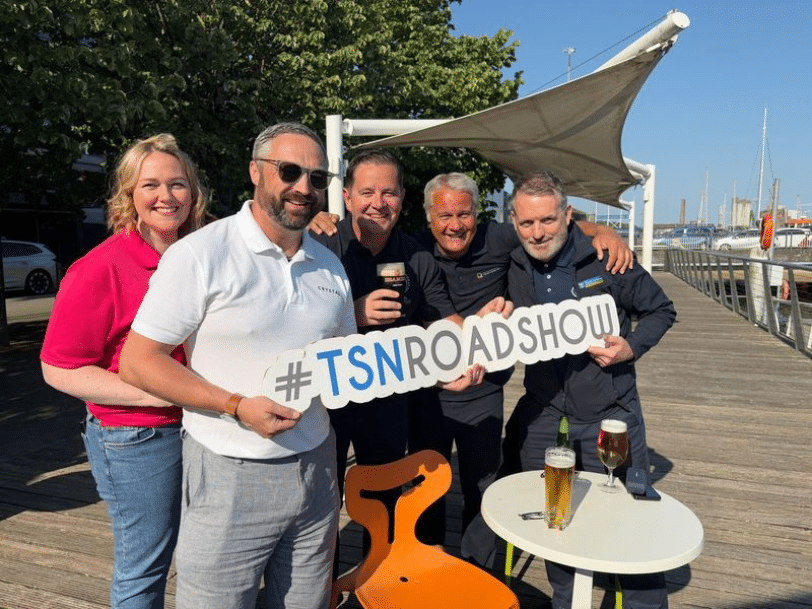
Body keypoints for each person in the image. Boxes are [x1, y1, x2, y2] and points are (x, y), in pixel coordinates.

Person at [118, 123, 357, 609]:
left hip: (317, 466)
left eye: (317, 178)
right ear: (255, 171)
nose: (303, 187)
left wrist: (434, 364)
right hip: (229, 469)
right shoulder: (200, 254)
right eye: (289, 171)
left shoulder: (330, 265)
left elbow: (346, 360)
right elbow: (139, 362)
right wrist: (235, 405)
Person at [406, 172, 634, 565]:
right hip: (428, 394)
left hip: (483, 394)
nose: (455, 225)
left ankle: (479, 571)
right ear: (429, 217)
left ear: (478, 213)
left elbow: (552, 227)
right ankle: (427, 567)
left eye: (464, 214)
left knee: (483, 489)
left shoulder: (497, 237)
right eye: (444, 216)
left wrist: (603, 232)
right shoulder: (413, 249)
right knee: (425, 488)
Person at [40, 133, 208, 608]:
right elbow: (58, 367)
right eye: (150, 185)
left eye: (177, 184)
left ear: (193, 192)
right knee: (145, 565)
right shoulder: (99, 268)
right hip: (137, 436)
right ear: (129, 194)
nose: (166, 196)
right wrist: (163, 393)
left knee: (203, 552)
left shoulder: (205, 251)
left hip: (203, 426)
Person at [309, 151, 493, 569]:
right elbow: (288, 322)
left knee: (385, 504)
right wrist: (353, 314)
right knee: (320, 506)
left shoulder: (416, 256)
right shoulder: (319, 245)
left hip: (388, 403)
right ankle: (323, 591)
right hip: (325, 405)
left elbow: (445, 323)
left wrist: (478, 343)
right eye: (367, 192)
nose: (378, 203)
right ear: (347, 197)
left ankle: (378, 585)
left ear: (402, 197)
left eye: (388, 192)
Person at [505, 171, 676, 609]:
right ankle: (567, 601)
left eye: (547, 220)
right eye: (527, 223)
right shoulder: (513, 261)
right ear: (514, 223)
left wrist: (630, 347)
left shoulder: (606, 257)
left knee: (631, 520)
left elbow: (661, 309)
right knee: (555, 521)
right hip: (545, 414)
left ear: (567, 216)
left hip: (611, 413)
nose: (537, 233)